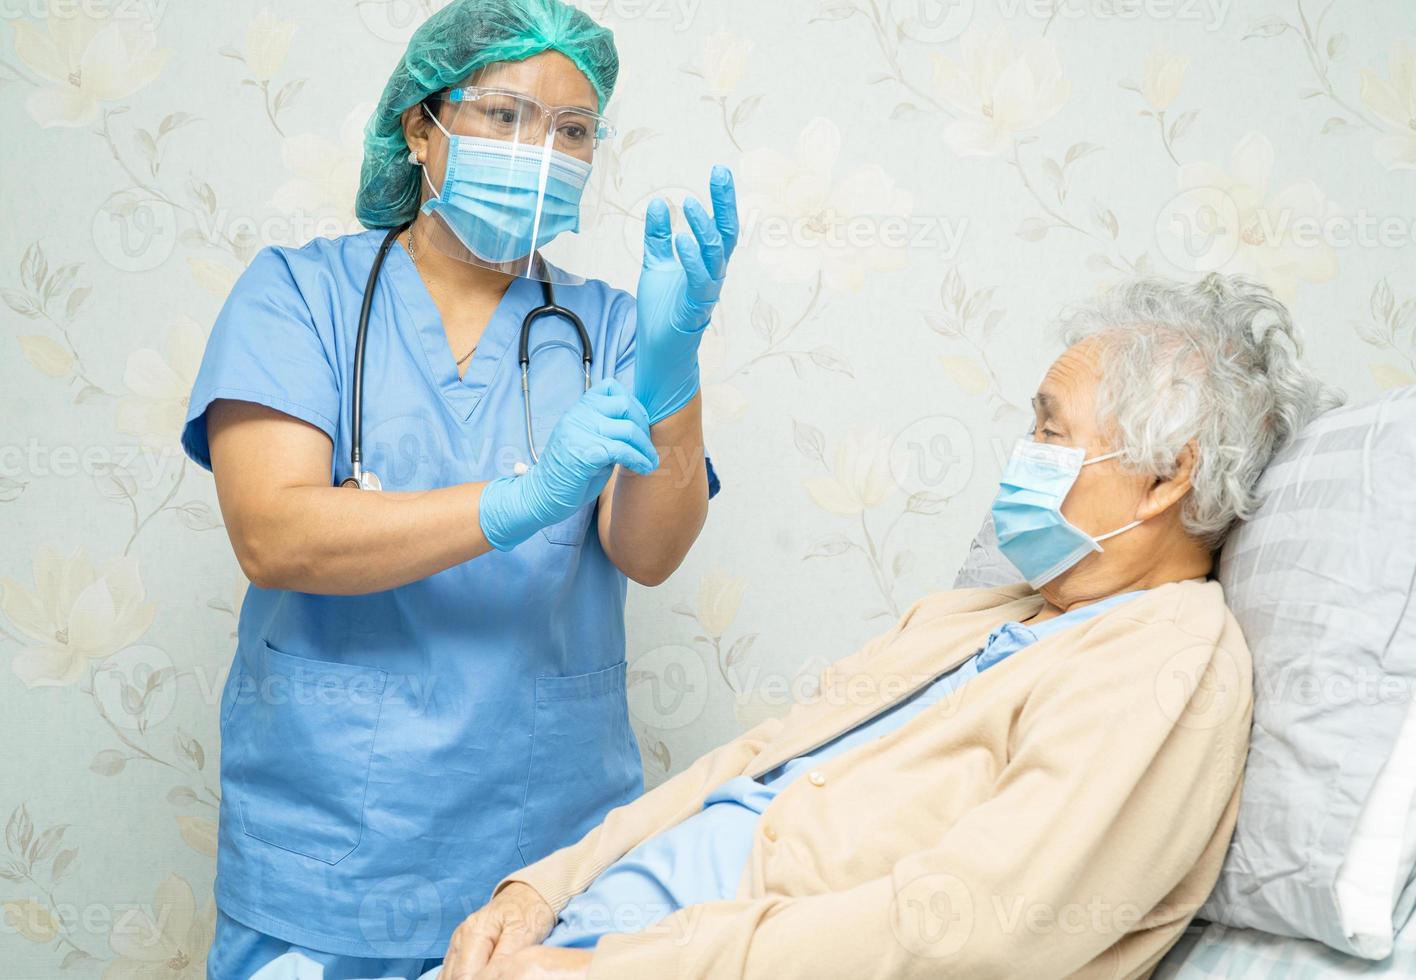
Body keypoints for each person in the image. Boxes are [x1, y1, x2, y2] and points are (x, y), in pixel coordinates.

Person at [429, 274, 1342, 980]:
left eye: (1050, 431)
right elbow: (749, 763)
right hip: (583, 939)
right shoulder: (982, 617)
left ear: (1167, 478)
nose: (1021, 456)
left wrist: (608, 968)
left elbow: (963, 931)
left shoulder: (1166, 664)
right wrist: (542, 889)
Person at [180, 1, 738, 976]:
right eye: (505, 115)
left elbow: (649, 553)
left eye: (572, 131)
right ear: (420, 124)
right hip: (328, 857)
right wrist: (518, 498)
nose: (542, 150)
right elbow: (275, 533)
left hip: (538, 860)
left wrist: (674, 364)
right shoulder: (298, 296)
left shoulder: (608, 323)